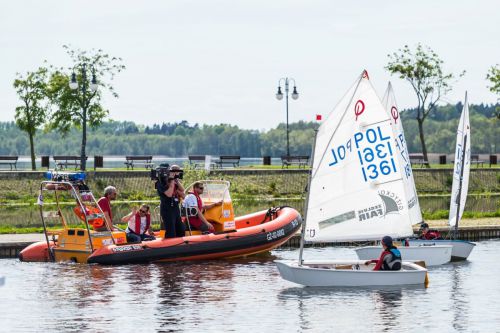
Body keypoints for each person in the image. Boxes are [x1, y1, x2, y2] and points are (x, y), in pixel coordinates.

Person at [156, 165, 186, 238]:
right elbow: (169, 194)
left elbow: (182, 190)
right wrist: (172, 181)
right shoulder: (160, 183)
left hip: (175, 208)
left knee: (181, 230)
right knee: (171, 232)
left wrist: (175, 180)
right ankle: (168, 246)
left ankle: (180, 246)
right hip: (167, 209)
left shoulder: (172, 181)